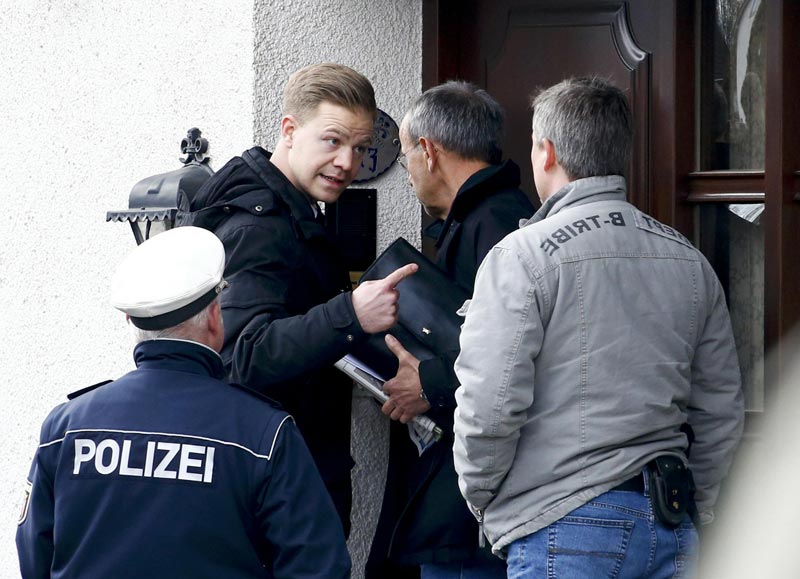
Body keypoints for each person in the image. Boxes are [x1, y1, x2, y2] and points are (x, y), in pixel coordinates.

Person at [452, 77, 744, 578]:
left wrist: (483, 497)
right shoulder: (688, 259)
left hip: (560, 523)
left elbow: (490, 405)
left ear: (546, 152)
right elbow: (720, 409)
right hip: (670, 523)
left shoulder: (521, 256)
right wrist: (702, 506)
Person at [16, 226, 351, 578]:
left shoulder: (66, 426)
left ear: (131, 320)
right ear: (213, 317)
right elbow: (318, 567)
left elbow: (34, 557)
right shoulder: (263, 433)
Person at [179, 62, 417, 535]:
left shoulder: (294, 213)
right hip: (273, 494)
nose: (348, 163)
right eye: (332, 141)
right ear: (289, 130)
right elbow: (241, 355)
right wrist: (350, 314)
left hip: (287, 478)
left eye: (360, 147)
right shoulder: (259, 227)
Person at [366, 81, 534, 579]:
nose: (408, 174)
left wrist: (429, 383)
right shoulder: (493, 214)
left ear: (430, 151)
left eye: (407, 154)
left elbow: (516, 352)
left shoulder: (495, 225)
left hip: (475, 519)